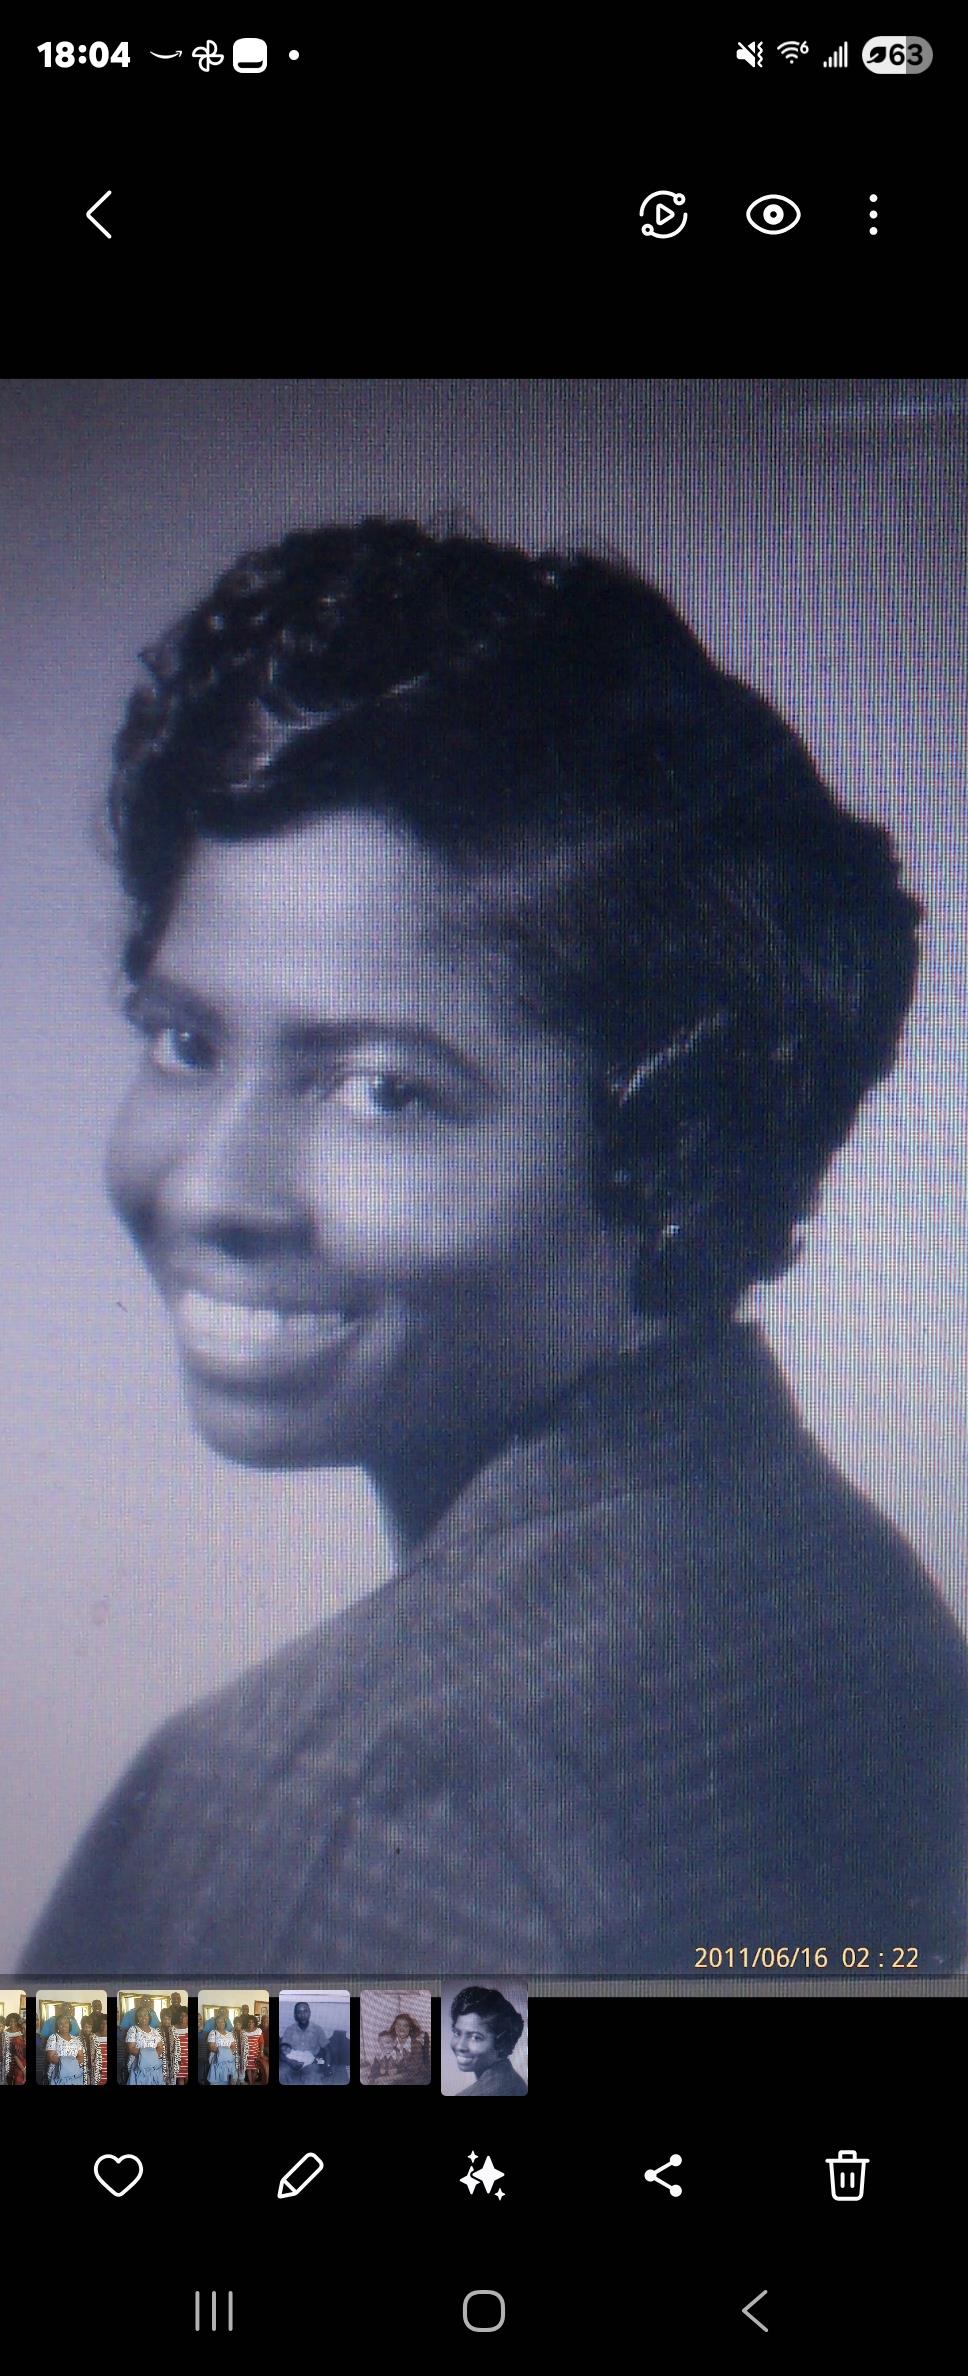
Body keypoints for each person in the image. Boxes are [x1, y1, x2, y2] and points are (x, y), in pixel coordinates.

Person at [22, 519, 968, 1978]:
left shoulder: (361, 1812)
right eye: (186, 1040)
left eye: (386, 1090)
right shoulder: (839, 1597)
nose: (213, 1188)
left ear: (669, 1144)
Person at [450, 1987, 527, 2096]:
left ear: (502, 2042)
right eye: (457, 2033)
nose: (459, 2046)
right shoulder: (513, 2080)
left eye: (476, 2037)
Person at [279, 2001, 329, 2085]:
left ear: (309, 2013)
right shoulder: (289, 2030)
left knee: (313, 2078)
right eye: (299, 2012)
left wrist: (328, 2066)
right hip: (291, 2063)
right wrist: (290, 2062)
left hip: (310, 2064)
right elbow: (281, 2051)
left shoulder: (317, 2029)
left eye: (305, 2011)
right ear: (295, 2015)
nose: (302, 2015)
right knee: (281, 2073)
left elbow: (327, 2050)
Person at [126, 1997, 165, 2085]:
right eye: (140, 2015)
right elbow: (131, 2048)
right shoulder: (133, 2030)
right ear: (137, 2018)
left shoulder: (155, 2031)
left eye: (146, 2015)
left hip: (153, 2066)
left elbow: (160, 2047)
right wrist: (147, 2057)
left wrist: (150, 2058)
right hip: (137, 2066)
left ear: (149, 2017)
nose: (143, 2017)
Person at [45, 2009, 87, 2086]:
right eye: (60, 2023)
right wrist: (71, 2062)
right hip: (57, 2076)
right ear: (57, 2026)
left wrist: (65, 2062)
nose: (63, 2025)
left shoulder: (76, 2039)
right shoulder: (53, 2037)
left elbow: (81, 2056)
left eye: (66, 2022)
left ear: (69, 2024)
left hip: (74, 2075)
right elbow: (51, 2058)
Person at [206, 2008, 239, 2085]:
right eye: (218, 2022)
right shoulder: (213, 2033)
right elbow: (212, 2047)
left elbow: (233, 2046)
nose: (221, 2023)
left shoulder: (230, 2034)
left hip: (229, 2062)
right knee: (217, 2080)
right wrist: (227, 2052)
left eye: (222, 2022)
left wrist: (223, 2052)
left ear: (225, 2023)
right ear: (216, 2024)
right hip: (216, 2062)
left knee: (227, 2080)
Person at [158, 2004, 183, 2085]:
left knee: (172, 2082)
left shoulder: (174, 2031)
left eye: (168, 2019)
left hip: (173, 2062)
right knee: (162, 2081)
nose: (167, 2021)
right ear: (161, 2019)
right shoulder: (156, 2031)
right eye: (164, 2019)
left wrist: (178, 2060)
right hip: (161, 2062)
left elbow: (178, 2047)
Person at [1, 2013, 26, 2086]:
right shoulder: (5, 2032)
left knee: (18, 2076)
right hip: (8, 2057)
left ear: (17, 2022)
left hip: (19, 2057)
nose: (13, 2023)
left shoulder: (21, 2031)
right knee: (9, 2075)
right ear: (8, 2022)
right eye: (11, 2021)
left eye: (15, 2021)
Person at [79, 2012, 102, 2089]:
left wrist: (99, 2070)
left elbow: (99, 2054)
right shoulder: (77, 2038)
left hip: (94, 2068)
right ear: (82, 2027)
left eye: (89, 2027)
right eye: (85, 2027)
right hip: (82, 2068)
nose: (87, 2029)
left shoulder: (95, 2037)